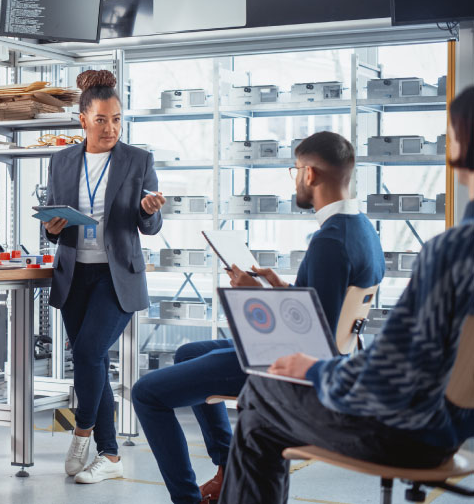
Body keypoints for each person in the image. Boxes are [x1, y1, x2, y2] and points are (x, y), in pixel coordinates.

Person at [218, 86, 474, 504]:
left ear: (462, 145)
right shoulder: (366, 231)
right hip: (453, 429)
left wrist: (314, 371)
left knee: (261, 394)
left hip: (406, 433)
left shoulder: (452, 253)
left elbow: (388, 379)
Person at [132, 131, 385, 504]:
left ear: (311, 175)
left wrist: (252, 295)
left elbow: (316, 342)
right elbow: (321, 309)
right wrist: (278, 288)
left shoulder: (329, 242)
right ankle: (227, 468)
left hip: (283, 364)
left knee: (146, 394)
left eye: (295, 170)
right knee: (187, 352)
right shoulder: (362, 229)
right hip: (310, 354)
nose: (295, 178)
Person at [43, 69, 165, 484]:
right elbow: (52, 219)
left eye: (116, 119)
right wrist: (52, 228)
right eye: (101, 120)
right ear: (83, 120)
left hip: (117, 278)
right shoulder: (60, 161)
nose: (110, 127)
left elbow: (148, 226)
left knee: (89, 353)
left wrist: (149, 212)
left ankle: (81, 432)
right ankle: (110, 458)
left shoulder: (138, 160)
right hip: (74, 273)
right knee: (90, 362)